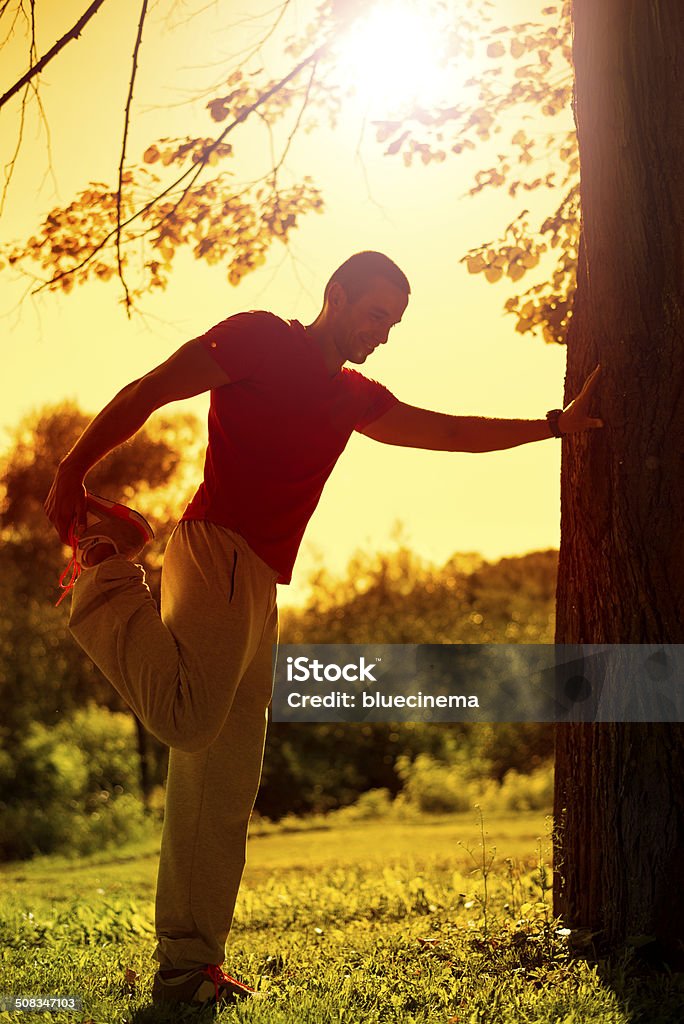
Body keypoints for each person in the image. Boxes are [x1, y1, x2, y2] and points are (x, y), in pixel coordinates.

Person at [45, 250, 602, 1009]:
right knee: (187, 718)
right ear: (335, 293)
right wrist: (72, 469)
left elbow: (444, 432)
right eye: (375, 313)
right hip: (216, 551)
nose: (382, 332)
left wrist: (550, 427)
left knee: (222, 780)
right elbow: (151, 389)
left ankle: (186, 969)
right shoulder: (259, 339)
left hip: (261, 583)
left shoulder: (352, 397)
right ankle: (105, 574)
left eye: (393, 323)